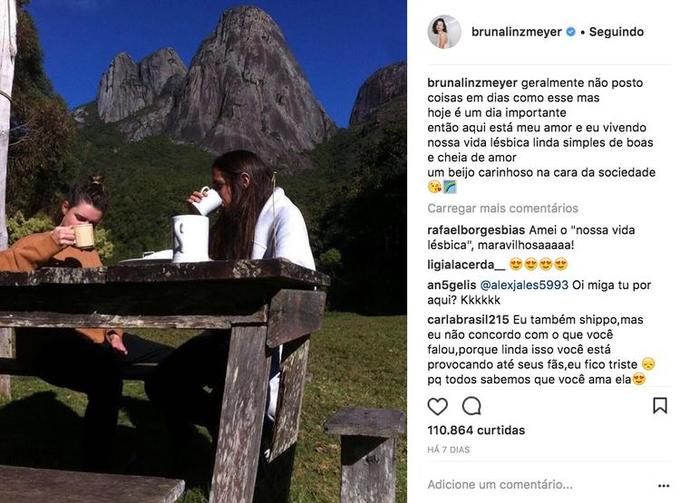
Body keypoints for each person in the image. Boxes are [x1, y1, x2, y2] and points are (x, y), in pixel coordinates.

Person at [145, 150, 314, 452]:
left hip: (262, 337)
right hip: (227, 333)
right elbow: (204, 261)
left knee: (201, 388)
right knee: (162, 381)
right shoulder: (235, 220)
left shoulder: (285, 214)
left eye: (219, 186)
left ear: (244, 181)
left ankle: (235, 436)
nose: (216, 194)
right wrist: (196, 218)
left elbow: (292, 272)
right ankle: (209, 437)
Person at [0, 176, 172, 471]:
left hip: (99, 342)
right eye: (80, 218)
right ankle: (98, 467)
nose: (85, 228)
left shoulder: (90, 253)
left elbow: (106, 302)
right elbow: (8, 264)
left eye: (93, 224)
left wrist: (114, 333)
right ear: (64, 208)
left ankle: (176, 441)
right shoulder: (37, 242)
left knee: (170, 359)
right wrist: (51, 242)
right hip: (49, 350)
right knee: (107, 378)